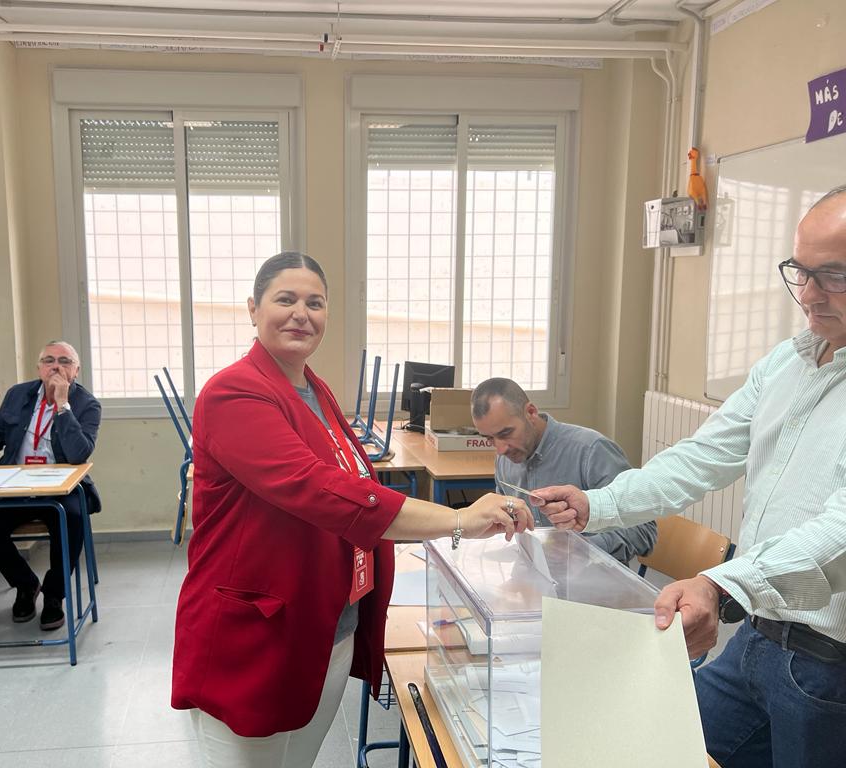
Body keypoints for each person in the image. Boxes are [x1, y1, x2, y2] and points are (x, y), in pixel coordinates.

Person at [171, 252, 535, 768]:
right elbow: (319, 489)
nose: (302, 313)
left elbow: (355, 479)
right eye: (286, 299)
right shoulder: (234, 392)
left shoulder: (312, 389)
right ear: (253, 309)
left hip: (326, 626)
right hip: (255, 634)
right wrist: (457, 520)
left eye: (315, 303)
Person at [533, 186, 846, 768]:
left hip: (828, 664)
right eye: (800, 270)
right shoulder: (789, 360)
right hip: (757, 635)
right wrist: (599, 503)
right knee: (666, 749)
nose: (808, 294)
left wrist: (721, 584)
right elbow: (700, 458)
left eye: (833, 276)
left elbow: (838, 532)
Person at [0, 341, 101, 631]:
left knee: (72, 518)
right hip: (15, 486)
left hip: (63, 489)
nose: (55, 366)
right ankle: (25, 584)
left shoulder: (87, 404)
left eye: (64, 361)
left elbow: (78, 454)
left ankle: (54, 594)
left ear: (76, 370)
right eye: (48, 360)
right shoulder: (18, 394)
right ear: (39, 368)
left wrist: (62, 405)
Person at [470, 377, 656, 564]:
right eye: (489, 439)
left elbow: (644, 529)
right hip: (535, 579)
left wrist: (584, 549)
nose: (500, 449)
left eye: (506, 434)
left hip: (591, 583)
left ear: (531, 412)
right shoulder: (505, 459)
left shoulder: (591, 450)